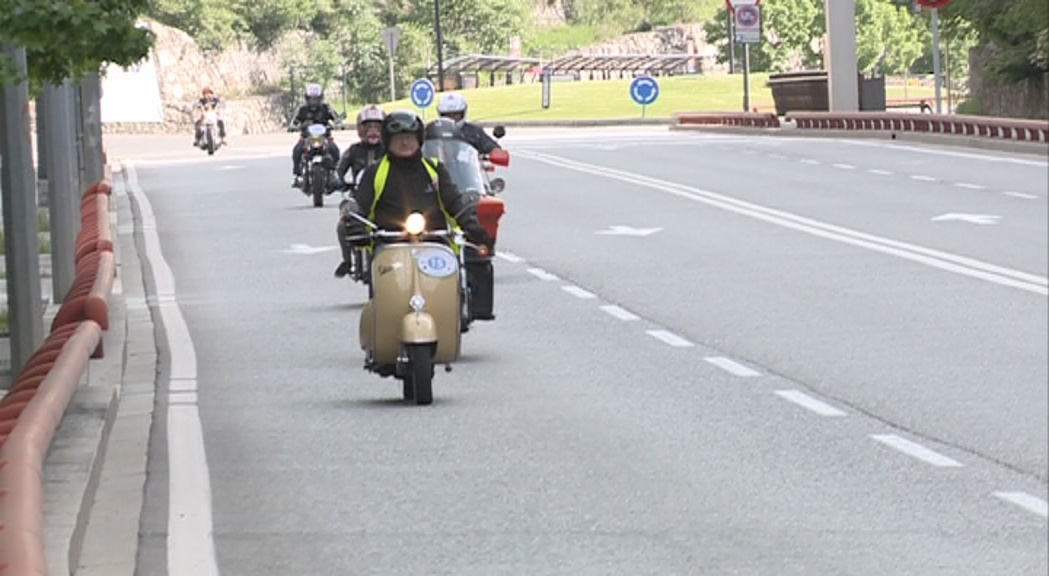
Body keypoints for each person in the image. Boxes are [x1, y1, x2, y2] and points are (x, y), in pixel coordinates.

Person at [345, 109, 491, 268]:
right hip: (389, 250)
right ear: (388, 141)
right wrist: (356, 227)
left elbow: (454, 202)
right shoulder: (375, 172)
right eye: (399, 138)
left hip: (436, 247)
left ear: (419, 139)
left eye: (409, 137)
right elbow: (360, 205)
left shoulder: (434, 169)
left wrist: (472, 224)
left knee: (466, 277)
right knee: (388, 290)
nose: (405, 143)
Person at [333, 105, 386, 278]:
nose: (373, 131)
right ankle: (347, 260)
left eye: (377, 127)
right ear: (360, 129)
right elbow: (338, 170)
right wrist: (337, 181)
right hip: (359, 198)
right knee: (343, 223)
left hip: (388, 197)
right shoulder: (353, 150)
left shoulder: (390, 150)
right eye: (368, 127)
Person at [291, 83, 341, 187]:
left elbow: (336, 118)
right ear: (307, 99)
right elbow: (294, 121)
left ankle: (334, 173)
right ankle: (298, 175)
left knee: (335, 150)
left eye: (316, 99)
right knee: (297, 150)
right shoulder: (302, 109)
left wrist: (338, 123)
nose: (313, 102)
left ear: (321, 98)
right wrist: (293, 126)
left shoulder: (326, 108)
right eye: (311, 99)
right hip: (307, 137)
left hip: (325, 137)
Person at [435, 92, 501, 155]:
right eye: (447, 115)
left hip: (471, 166)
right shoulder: (434, 132)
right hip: (440, 166)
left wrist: (496, 152)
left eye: (456, 114)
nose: (452, 118)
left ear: (463, 113)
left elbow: (489, 145)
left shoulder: (474, 132)